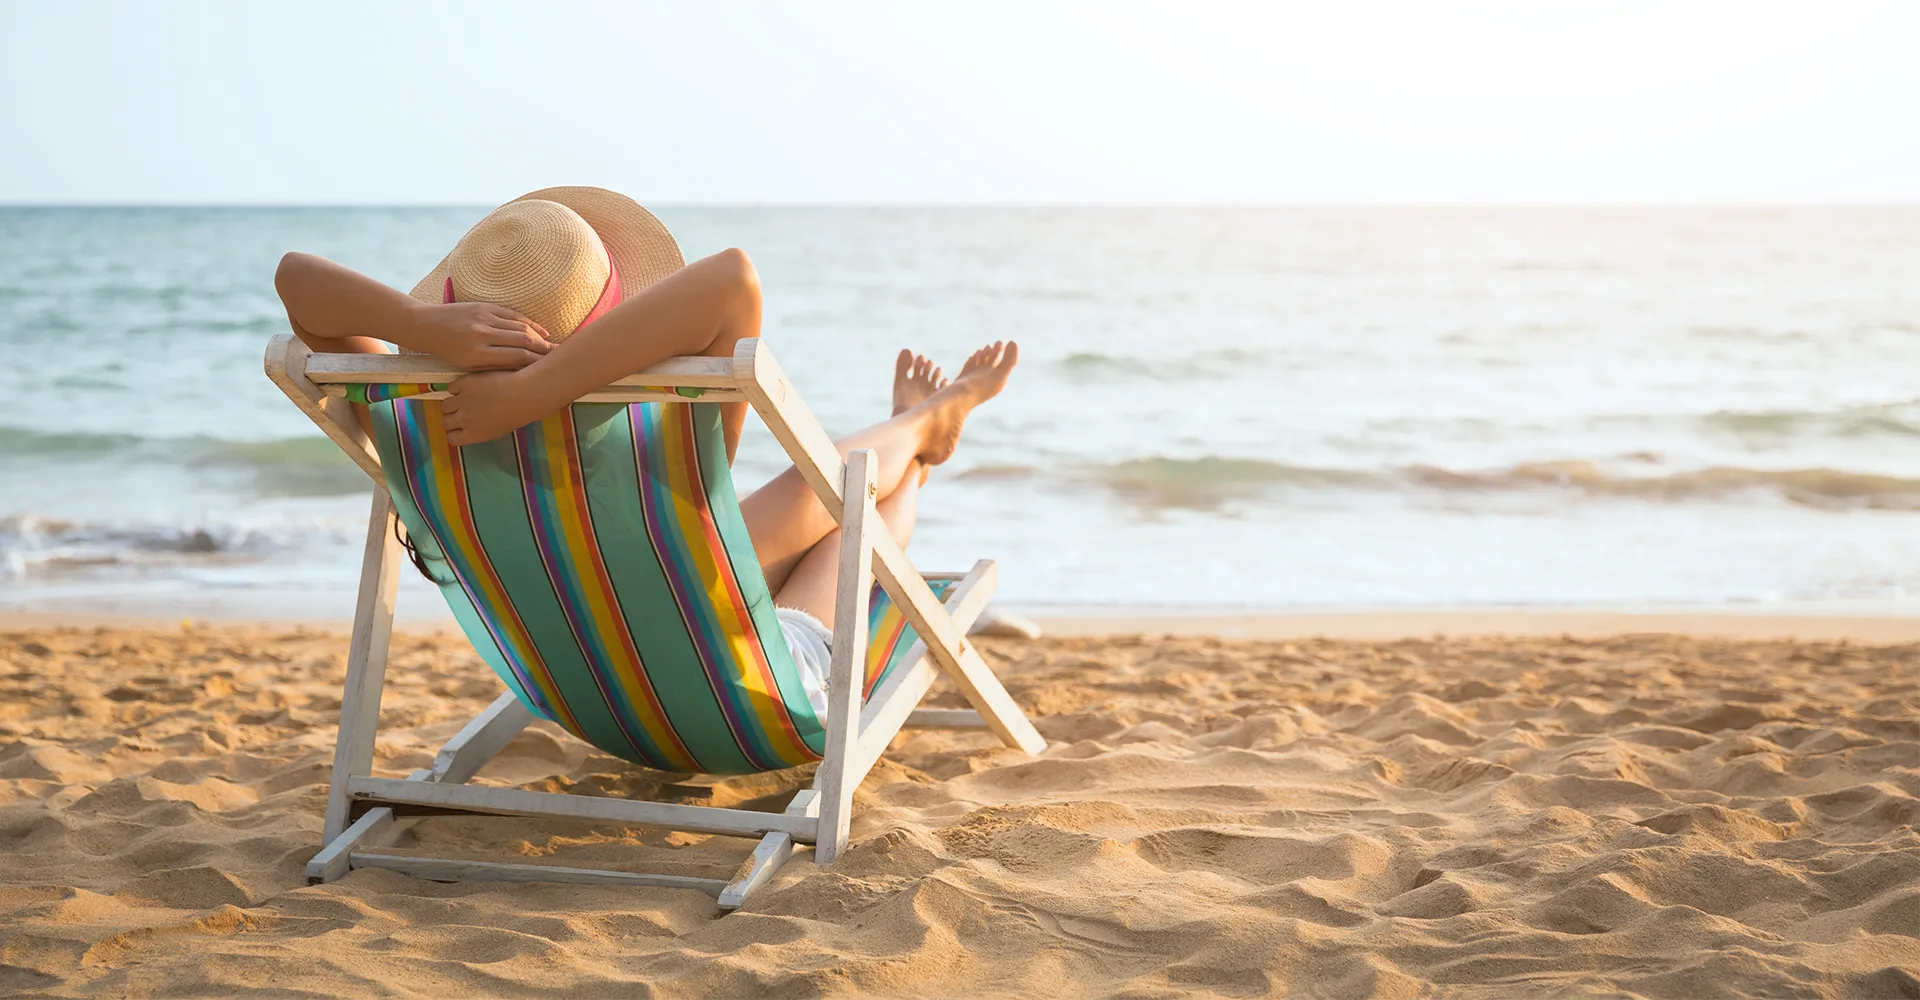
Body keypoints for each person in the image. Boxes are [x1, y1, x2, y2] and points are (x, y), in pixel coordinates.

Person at [271, 187, 1015, 713]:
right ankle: (926, 432)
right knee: (853, 502)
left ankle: (923, 425)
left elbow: (295, 280)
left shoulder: (416, 428)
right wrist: (542, 389)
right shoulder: (648, 441)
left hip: (584, 687)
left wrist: (423, 330)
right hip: (738, 685)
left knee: (819, 489)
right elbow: (734, 278)